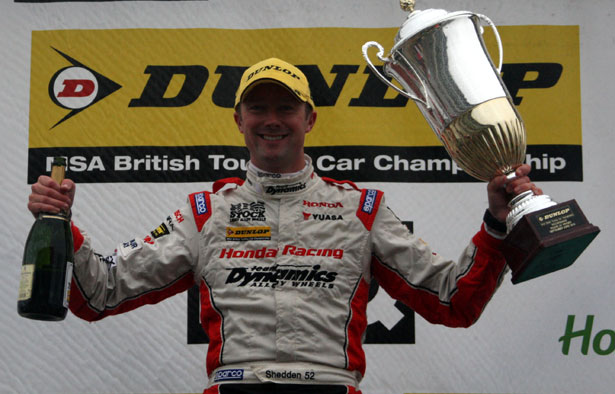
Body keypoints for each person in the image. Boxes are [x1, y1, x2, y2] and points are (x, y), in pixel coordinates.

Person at [28, 57, 543, 394]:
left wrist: (497, 224)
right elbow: (100, 293)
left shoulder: (361, 209)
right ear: (239, 119)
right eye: (258, 108)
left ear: (309, 119)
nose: (271, 119)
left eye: (285, 108)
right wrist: (62, 223)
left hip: (330, 384)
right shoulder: (206, 212)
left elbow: (453, 302)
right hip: (236, 383)